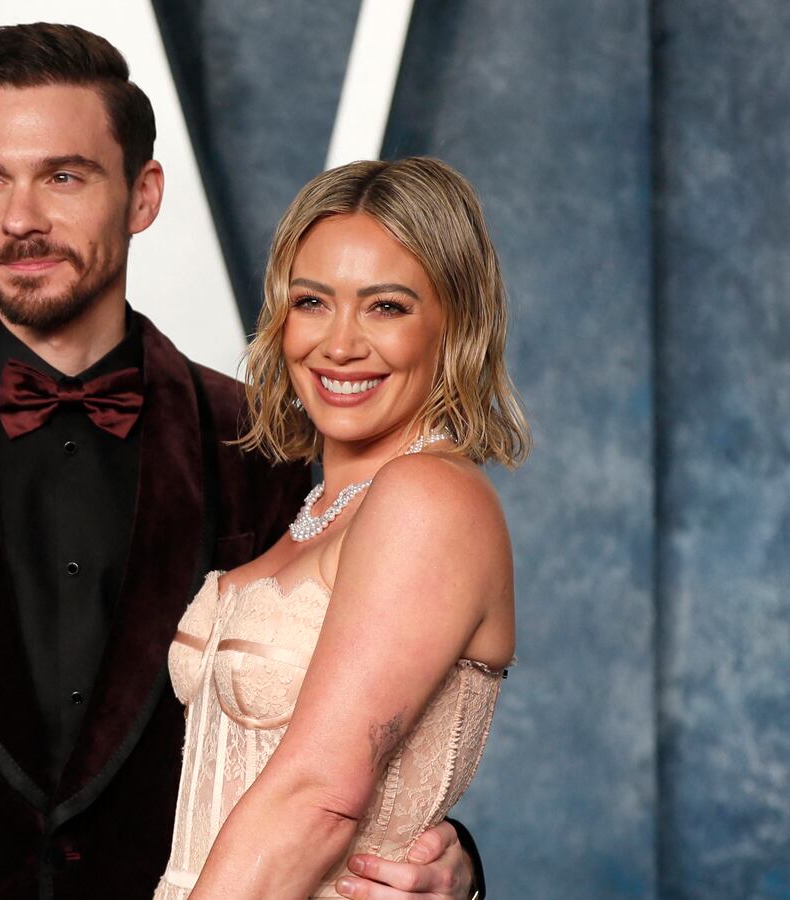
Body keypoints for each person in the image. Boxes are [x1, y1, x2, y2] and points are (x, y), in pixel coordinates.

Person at [0, 24, 485, 899]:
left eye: (63, 176)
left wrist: (442, 858)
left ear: (143, 194)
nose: (19, 217)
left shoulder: (261, 438)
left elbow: (330, 720)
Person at [153, 157, 530, 899]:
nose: (339, 344)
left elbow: (320, 797)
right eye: (312, 302)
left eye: (386, 306)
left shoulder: (429, 497)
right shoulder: (314, 509)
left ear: (455, 322)